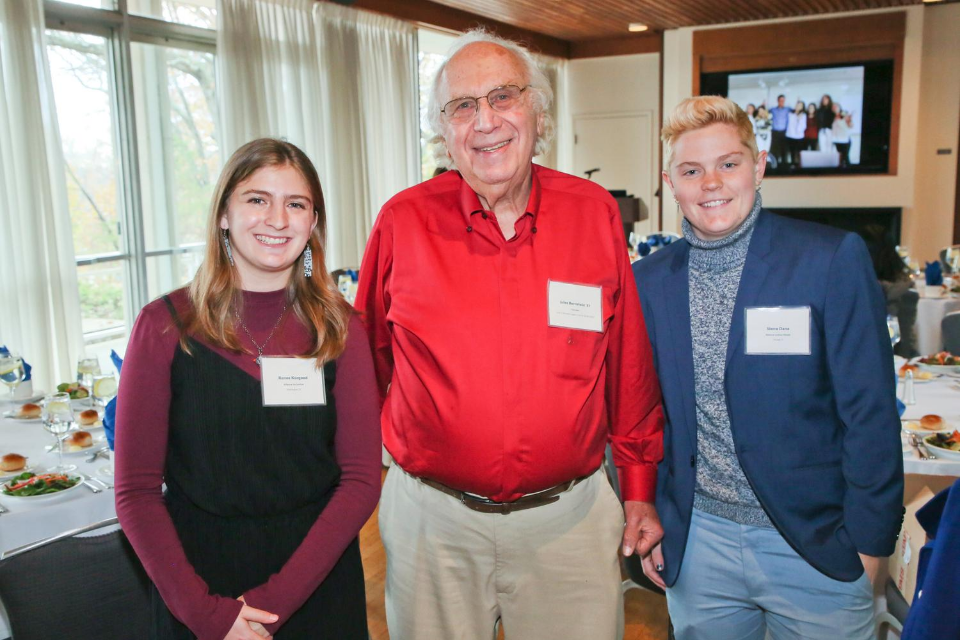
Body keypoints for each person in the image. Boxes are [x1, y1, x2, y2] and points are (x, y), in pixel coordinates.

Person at [355, 29, 664, 640]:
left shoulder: (593, 212)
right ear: (443, 131)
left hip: (570, 521)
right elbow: (368, 361)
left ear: (538, 113)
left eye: (503, 97)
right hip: (432, 526)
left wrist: (638, 488)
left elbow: (627, 363)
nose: (486, 121)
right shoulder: (402, 221)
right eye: (463, 106)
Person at [632, 96, 904, 640]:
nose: (711, 183)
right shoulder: (650, 281)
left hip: (815, 546)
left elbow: (870, 414)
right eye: (692, 170)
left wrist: (871, 546)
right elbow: (648, 415)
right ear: (671, 182)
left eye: (728, 164)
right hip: (700, 544)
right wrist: (658, 518)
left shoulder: (829, 259)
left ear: (758, 167)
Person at [115, 138, 382, 640]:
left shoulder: (342, 328)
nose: (277, 219)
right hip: (197, 588)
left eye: (296, 203)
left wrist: (271, 604)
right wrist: (208, 615)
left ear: (313, 221)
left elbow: (363, 479)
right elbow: (136, 492)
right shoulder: (164, 327)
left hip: (316, 584)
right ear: (223, 215)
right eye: (257, 199)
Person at [768, 94, 790, 167]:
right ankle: (775, 166)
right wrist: (762, 106)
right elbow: (763, 112)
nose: (782, 101)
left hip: (784, 133)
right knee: (775, 150)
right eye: (780, 100)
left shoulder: (788, 109)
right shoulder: (772, 109)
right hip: (775, 133)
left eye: (783, 100)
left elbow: (798, 112)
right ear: (778, 101)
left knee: (784, 150)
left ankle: (784, 166)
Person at [785, 100, 806, 166]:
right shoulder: (790, 114)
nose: (798, 107)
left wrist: (799, 119)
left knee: (799, 152)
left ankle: (800, 165)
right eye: (797, 105)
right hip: (790, 136)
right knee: (792, 152)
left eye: (800, 106)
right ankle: (792, 164)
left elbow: (802, 127)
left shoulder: (803, 115)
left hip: (799, 137)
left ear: (802, 107)